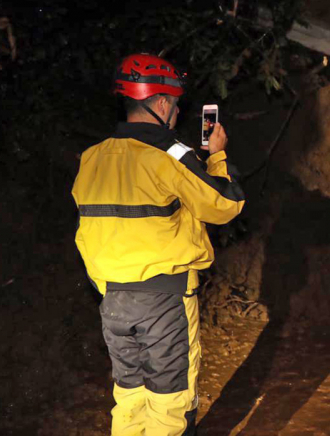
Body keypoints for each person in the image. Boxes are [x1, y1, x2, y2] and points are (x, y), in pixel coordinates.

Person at [72, 53, 246, 435]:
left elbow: (88, 234)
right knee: (170, 406)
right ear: (163, 103)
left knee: (130, 400)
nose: (177, 112)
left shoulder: (92, 158)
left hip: (113, 301)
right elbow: (225, 204)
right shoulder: (170, 155)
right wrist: (217, 156)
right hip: (164, 301)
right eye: (176, 105)